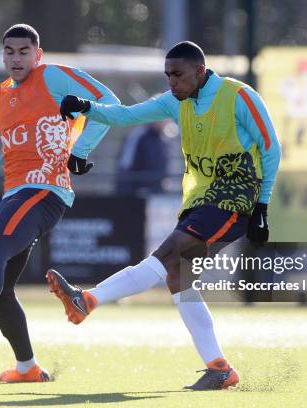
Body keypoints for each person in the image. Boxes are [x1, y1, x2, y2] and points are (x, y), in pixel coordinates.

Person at [47, 41, 281, 390]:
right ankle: (219, 368)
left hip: (236, 200)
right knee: (178, 279)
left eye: (178, 74)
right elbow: (124, 115)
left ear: (200, 72)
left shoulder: (239, 96)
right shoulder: (176, 102)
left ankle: (88, 299)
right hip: (201, 201)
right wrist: (86, 107)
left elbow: (271, 147)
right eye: (168, 75)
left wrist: (262, 207)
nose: (172, 81)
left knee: (168, 255)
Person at [0, 23, 119, 383]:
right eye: (9, 51)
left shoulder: (54, 77)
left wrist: (80, 150)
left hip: (45, 191)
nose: (16, 58)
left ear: (38, 54)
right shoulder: (2, 96)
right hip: (17, 194)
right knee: (0, 290)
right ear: (2, 55)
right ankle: (27, 368)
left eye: (23, 51)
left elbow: (110, 103)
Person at [115, 120, 169, 195]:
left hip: (156, 192)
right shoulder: (137, 135)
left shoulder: (162, 138)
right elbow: (125, 166)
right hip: (137, 194)